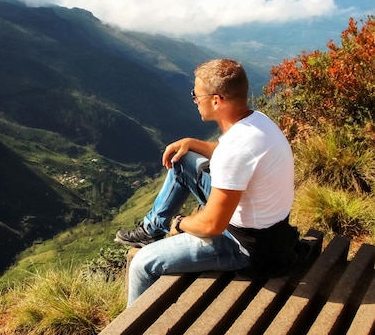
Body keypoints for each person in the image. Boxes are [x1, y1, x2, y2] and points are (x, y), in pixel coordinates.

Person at [115, 58, 299, 306]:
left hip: (246, 247)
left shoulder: (236, 150)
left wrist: (180, 223)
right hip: (268, 230)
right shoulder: (257, 122)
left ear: (216, 100)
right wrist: (192, 143)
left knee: (141, 264)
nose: (194, 100)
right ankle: (152, 229)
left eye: (196, 95)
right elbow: (228, 154)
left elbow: (212, 225)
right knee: (183, 160)